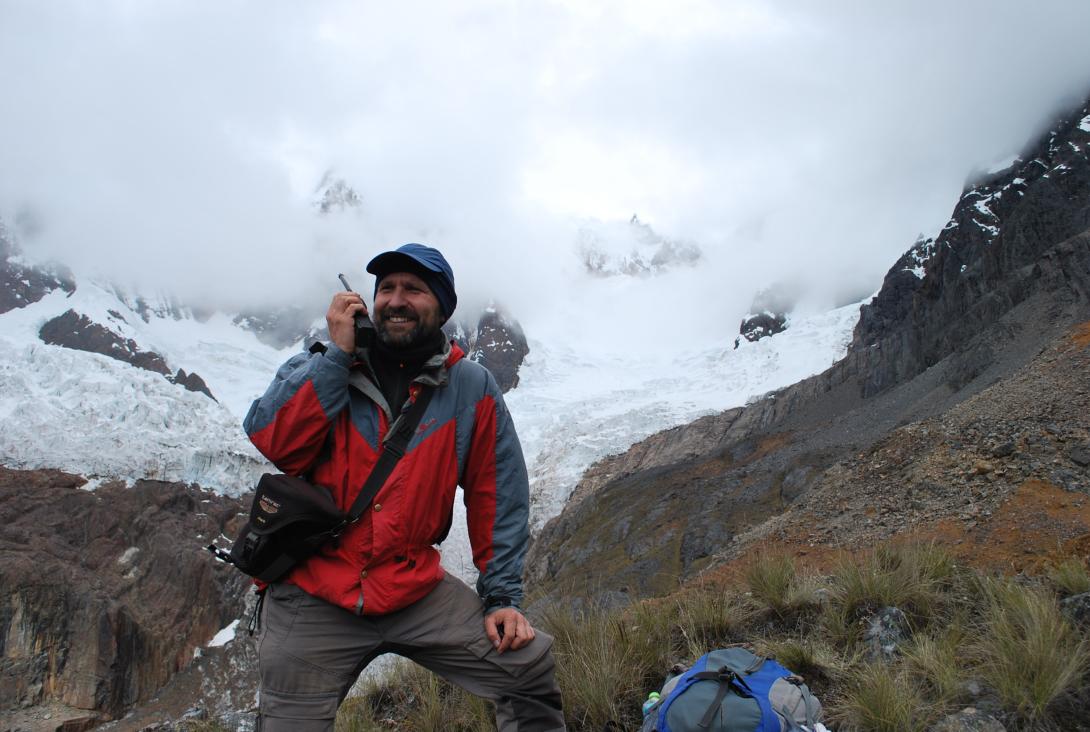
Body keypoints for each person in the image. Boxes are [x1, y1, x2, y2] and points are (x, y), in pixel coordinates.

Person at [242, 243, 565, 731]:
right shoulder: (322, 364)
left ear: (442, 307)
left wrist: (501, 599)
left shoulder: (471, 387)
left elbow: (497, 496)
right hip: (315, 589)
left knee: (527, 666)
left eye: (413, 289)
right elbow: (277, 440)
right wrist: (335, 359)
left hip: (413, 586)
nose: (396, 299)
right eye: (386, 289)